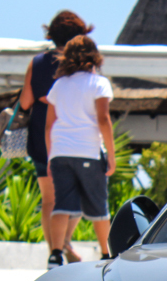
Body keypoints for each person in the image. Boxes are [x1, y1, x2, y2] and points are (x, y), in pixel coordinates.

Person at [19, 10, 90, 264]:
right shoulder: (82, 66)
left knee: (49, 198)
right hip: (74, 135)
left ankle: (56, 252)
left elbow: (25, 102)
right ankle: (65, 242)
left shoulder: (37, 63)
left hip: (41, 136)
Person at [44, 35, 115, 268]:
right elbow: (103, 119)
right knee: (99, 207)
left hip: (60, 152)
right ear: (95, 57)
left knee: (62, 205)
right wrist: (111, 156)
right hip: (88, 151)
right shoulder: (99, 83)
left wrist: (50, 156)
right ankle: (106, 255)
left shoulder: (59, 85)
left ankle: (55, 254)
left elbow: (49, 124)